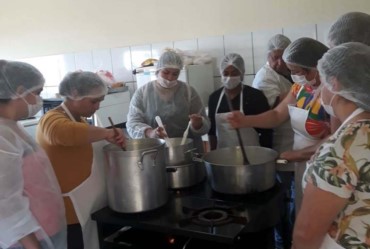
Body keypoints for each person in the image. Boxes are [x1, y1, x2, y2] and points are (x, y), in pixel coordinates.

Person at [227, 38, 331, 215]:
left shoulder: (332, 91)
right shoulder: (300, 89)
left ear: (312, 67)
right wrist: (246, 121)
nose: (294, 76)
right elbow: (276, 115)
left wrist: (299, 154)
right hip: (301, 164)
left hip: (326, 163)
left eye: (296, 71)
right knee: (301, 210)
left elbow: (336, 138)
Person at [292, 42, 370, 249]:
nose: (318, 91)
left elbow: (305, 234)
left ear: (334, 84)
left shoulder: (342, 147)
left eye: (322, 82)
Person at [37, 71, 125, 249]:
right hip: (68, 211)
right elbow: (62, 133)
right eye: (94, 101)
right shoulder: (51, 119)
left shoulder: (82, 121)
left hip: (86, 207)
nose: (98, 107)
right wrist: (106, 133)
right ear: (75, 96)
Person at [0, 60, 66, 249]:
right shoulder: (2, 135)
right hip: (29, 240)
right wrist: (32, 246)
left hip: (44, 230)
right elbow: (5, 202)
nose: (40, 99)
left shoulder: (11, 126)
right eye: (37, 93)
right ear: (19, 91)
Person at [253, 34, 295, 249]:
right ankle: (282, 243)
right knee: (280, 204)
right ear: (268, 56)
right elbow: (272, 111)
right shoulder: (265, 78)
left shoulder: (288, 73)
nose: (279, 63)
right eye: (274, 57)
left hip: (296, 147)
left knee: (292, 203)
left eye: (283, 58)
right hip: (280, 148)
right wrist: (299, 91)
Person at [126, 50, 210, 153]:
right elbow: (132, 123)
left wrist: (198, 124)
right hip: (155, 153)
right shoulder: (143, 93)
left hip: (187, 151)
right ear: (158, 70)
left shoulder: (188, 92)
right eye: (166, 72)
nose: (170, 78)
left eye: (175, 74)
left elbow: (205, 124)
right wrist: (150, 133)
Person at [207, 53, 272, 150]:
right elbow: (212, 132)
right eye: (226, 73)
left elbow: (267, 131)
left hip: (253, 155)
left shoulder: (255, 96)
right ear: (221, 74)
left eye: (234, 73)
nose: (229, 77)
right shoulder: (214, 98)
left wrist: (266, 156)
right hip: (223, 156)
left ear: (242, 74)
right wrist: (212, 155)